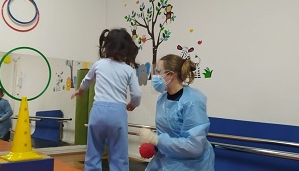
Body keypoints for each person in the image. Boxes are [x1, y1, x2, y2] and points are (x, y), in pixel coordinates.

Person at [71, 28, 142, 171]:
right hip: (118, 113)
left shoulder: (99, 64)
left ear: (107, 46)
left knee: (93, 151)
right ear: (127, 49)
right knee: (119, 154)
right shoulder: (128, 70)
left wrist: (80, 90)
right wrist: (133, 104)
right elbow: (137, 94)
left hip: (98, 111)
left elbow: (87, 80)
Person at [139, 54, 215, 171]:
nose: (155, 76)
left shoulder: (192, 102)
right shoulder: (163, 99)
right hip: (166, 159)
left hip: (191, 165)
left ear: (171, 75)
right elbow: (167, 131)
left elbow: (194, 146)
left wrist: (157, 140)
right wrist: (155, 145)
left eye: (159, 72)